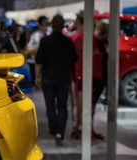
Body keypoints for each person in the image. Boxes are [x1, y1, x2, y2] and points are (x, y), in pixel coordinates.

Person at [35, 14, 78, 146]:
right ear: (62, 25)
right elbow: (75, 59)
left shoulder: (45, 41)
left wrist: (37, 77)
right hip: (63, 79)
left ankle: (53, 131)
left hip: (48, 78)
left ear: (52, 25)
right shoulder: (68, 41)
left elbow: (38, 62)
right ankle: (60, 132)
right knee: (62, 106)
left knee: (50, 107)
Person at [69, 11, 106, 140]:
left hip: (81, 72)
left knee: (83, 100)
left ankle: (80, 127)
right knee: (88, 101)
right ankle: (83, 128)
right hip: (92, 73)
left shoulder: (74, 38)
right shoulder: (92, 39)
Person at [25, 15, 49, 87]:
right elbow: (28, 48)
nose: (47, 26)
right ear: (42, 23)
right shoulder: (36, 35)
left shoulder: (46, 35)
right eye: (46, 23)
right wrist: (40, 46)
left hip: (44, 65)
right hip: (35, 63)